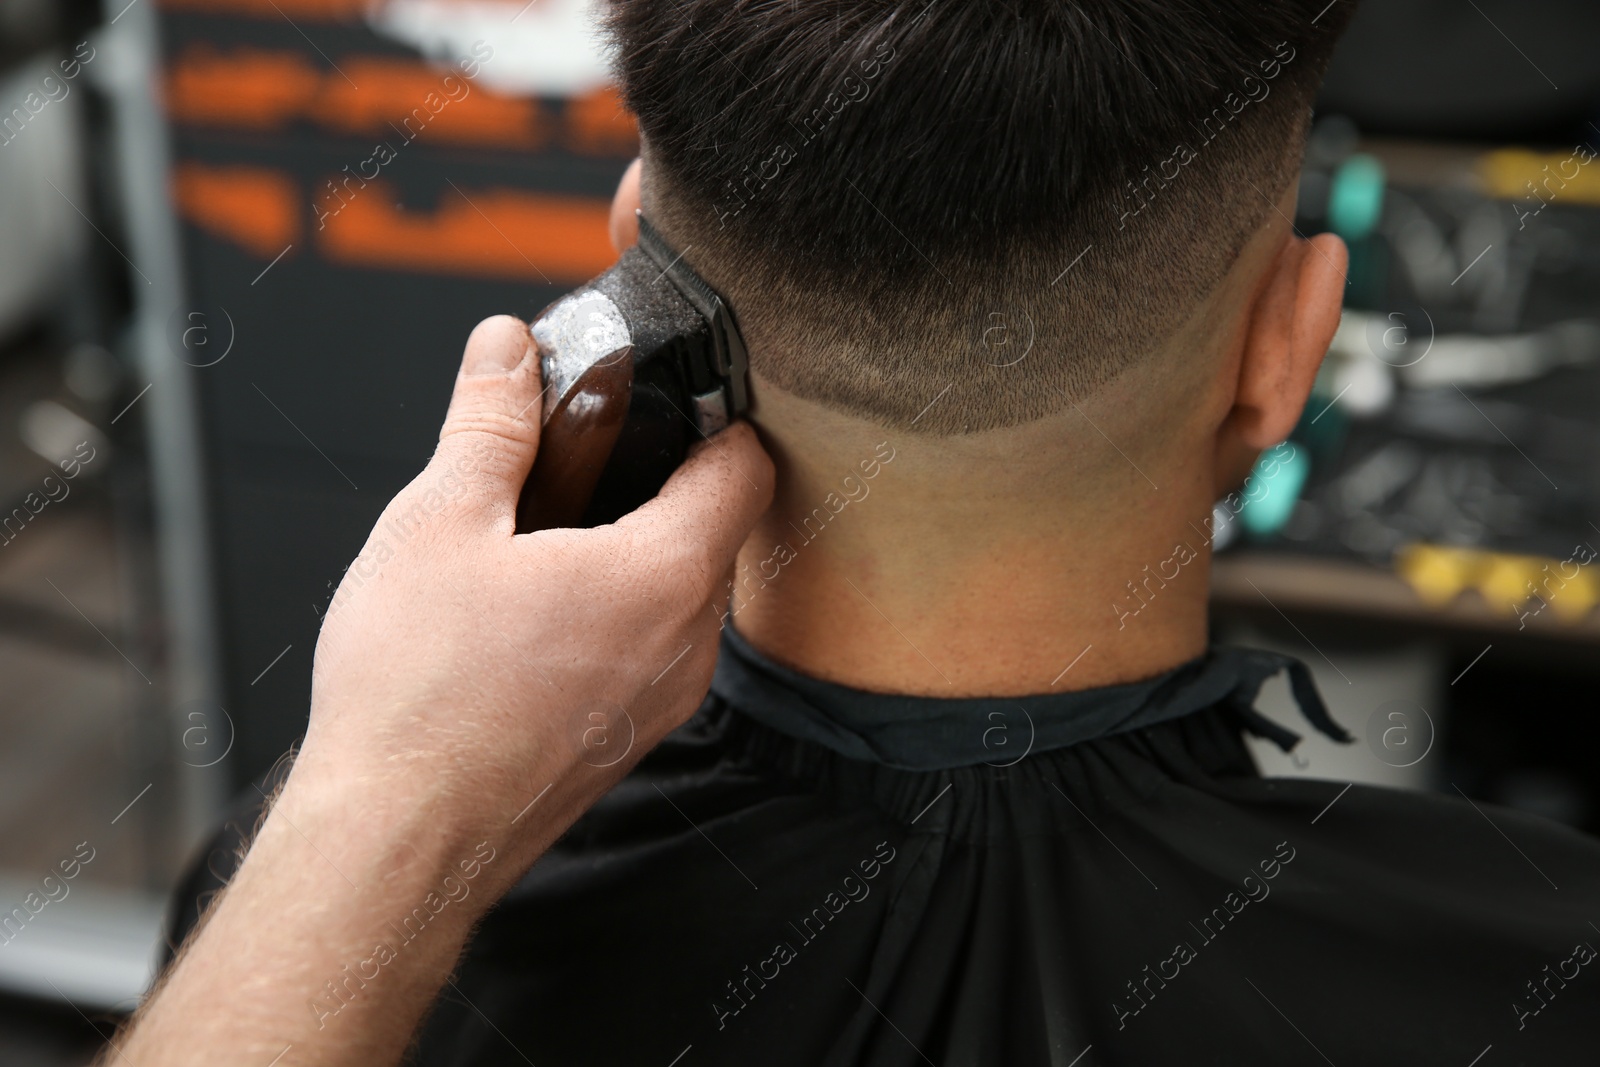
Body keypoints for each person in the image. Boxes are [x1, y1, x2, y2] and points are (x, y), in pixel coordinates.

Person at [124, 0, 1600, 1063]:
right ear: (1289, 352)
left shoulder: (307, 928)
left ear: (637, 261)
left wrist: (377, 801)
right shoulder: (1542, 978)